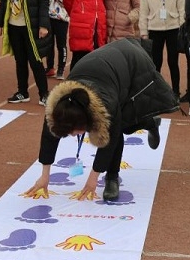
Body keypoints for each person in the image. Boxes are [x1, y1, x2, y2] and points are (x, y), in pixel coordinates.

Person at [24, 39, 179, 201]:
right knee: (122, 121)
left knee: (122, 125)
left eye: (74, 131)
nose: (71, 135)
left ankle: (112, 177)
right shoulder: (59, 106)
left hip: (133, 63)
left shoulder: (106, 105)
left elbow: (110, 140)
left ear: (86, 119)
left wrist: (93, 179)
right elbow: (49, 136)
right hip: (106, 68)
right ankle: (150, 122)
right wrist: (44, 176)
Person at [139, 0, 185, 98]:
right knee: (155, 62)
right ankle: (155, 91)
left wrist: (182, 29)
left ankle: (176, 91)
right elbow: (143, 13)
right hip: (154, 28)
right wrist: (143, 32)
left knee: (173, 61)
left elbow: (182, 10)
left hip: (173, 28)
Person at [44, 0, 69, 80]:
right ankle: (50, 68)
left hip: (62, 19)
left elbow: (66, 1)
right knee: (49, 44)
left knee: (61, 45)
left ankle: (61, 69)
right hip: (49, 17)